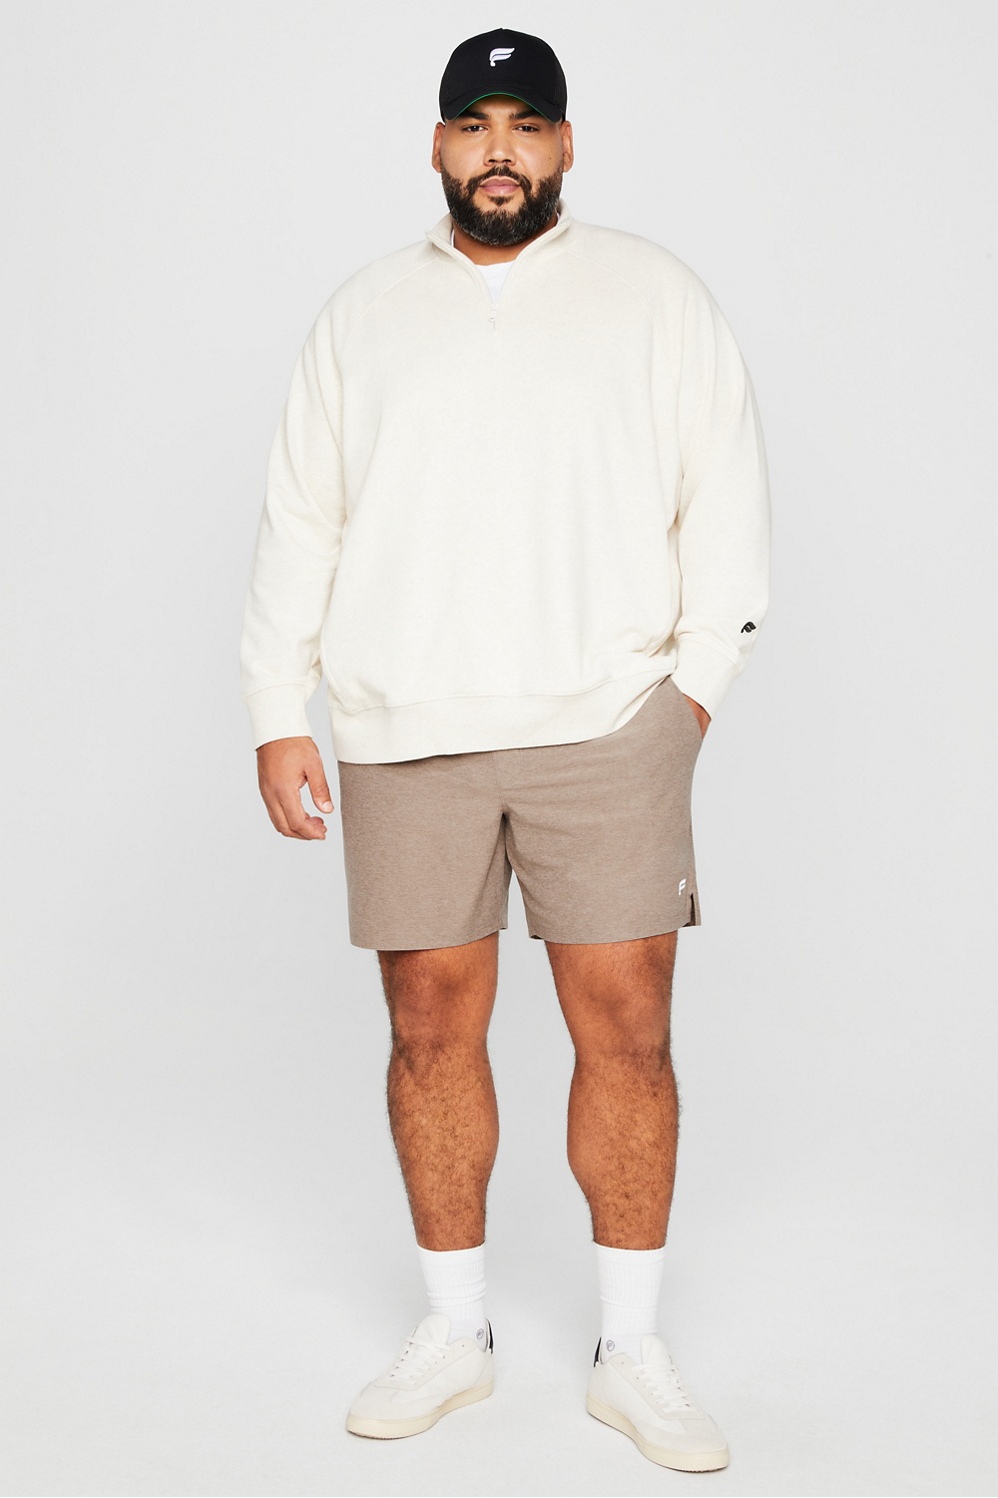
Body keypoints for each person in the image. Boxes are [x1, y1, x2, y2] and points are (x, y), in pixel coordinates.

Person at [239, 26, 769, 1474]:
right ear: (435, 145)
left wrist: (692, 693)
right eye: (473, 125)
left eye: (525, 125)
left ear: (565, 145)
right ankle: (454, 1329)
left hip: (606, 726)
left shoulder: (653, 295)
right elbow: (303, 517)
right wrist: (278, 706)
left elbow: (723, 493)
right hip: (405, 728)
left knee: (628, 1030)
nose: (498, 151)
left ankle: (630, 1351)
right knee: (428, 1028)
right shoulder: (361, 315)